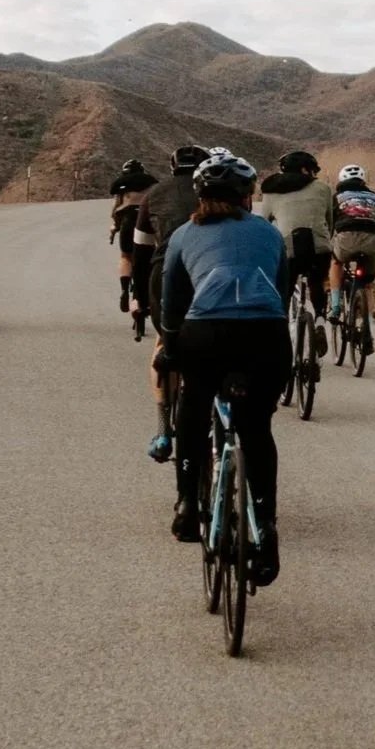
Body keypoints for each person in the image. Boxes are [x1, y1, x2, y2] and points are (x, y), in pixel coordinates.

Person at [157, 149, 289, 581]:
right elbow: (282, 295)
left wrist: (170, 347)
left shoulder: (182, 235)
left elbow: (171, 302)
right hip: (265, 336)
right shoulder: (269, 235)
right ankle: (265, 530)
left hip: (205, 334)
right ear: (247, 196)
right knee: (256, 429)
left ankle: (187, 507)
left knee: (193, 411)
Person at [138, 143, 206, 460]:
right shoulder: (217, 193)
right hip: (208, 274)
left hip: (163, 276)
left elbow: (138, 252)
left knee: (165, 345)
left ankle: (164, 430)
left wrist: (137, 298)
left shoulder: (153, 194)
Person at [257, 148, 336, 346]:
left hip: (288, 249)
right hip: (319, 247)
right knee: (317, 282)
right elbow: (330, 220)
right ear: (305, 170)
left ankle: (281, 330)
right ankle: (319, 320)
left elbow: (264, 223)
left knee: (283, 290)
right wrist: (327, 239)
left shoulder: (270, 191)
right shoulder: (323, 188)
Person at [327, 161, 375, 322]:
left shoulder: (337, 197)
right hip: (373, 240)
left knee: (336, 262)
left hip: (347, 238)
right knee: (367, 284)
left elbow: (331, 223)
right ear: (363, 180)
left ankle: (335, 307)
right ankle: (369, 326)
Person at [109, 158, 151, 323]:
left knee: (126, 256)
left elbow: (116, 211)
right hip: (145, 222)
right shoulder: (151, 183)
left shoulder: (121, 186)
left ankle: (125, 289)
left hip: (127, 221)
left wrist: (113, 229)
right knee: (147, 259)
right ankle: (146, 295)